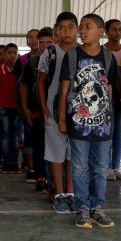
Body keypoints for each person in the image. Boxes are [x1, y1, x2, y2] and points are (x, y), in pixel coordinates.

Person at [58, 14, 119, 229]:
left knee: (101, 167)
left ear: (100, 32)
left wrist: (109, 119)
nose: (82, 31)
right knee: (79, 167)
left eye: (88, 26)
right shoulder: (72, 55)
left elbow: (109, 89)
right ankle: (82, 207)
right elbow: (64, 88)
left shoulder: (109, 58)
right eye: (81, 27)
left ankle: (97, 208)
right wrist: (62, 119)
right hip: (78, 123)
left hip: (102, 124)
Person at [38, 12, 78, 214]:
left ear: (77, 29)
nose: (66, 32)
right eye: (61, 28)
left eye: (70, 27)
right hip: (53, 111)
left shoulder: (83, 52)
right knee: (56, 152)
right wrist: (44, 108)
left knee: (73, 152)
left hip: (79, 111)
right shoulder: (50, 52)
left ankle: (71, 192)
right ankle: (59, 193)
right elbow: (41, 82)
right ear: (56, 30)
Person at [20, 27, 52, 193]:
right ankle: (41, 176)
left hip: (54, 111)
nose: (45, 46)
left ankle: (54, 178)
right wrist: (25, 107)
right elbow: (24, 85)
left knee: (54, 146)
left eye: (49, 42)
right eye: (41, 42)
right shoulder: (32, 62)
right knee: (38, 144)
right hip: (36, 111)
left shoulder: (59, 60)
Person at [104, 19, 121, 180]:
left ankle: (114, 166)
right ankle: (105, 167)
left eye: (120, 29)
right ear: (106, 32)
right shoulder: (101, 51)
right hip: (105, 96)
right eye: (113, 29)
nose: (117, 32)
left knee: (119, 132)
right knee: (107, 131)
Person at [0, 43, 20, 172]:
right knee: (5, 135)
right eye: (9, 52)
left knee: (15, 136)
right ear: (4, 54)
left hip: (17, 108)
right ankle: (6, 162)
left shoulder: (20, 69)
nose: (12, 55)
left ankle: (14, 162)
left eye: (15, 52)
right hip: (3, 107)